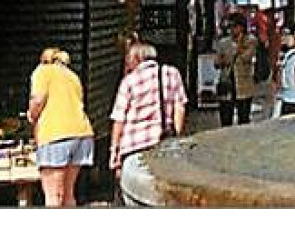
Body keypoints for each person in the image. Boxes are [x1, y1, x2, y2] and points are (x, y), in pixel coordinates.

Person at [109, 42, 186, 192]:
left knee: (131, 192)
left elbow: (119, 119)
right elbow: (180, 107)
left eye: (128, 58)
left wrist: (114, 151)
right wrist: (176, 135)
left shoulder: (129, 81)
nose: (127, 62)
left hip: (133, 144)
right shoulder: (172, 73)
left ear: (137, 59)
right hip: (162, 142)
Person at [27, 47, 94, 208]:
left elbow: (38, 100)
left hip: (56, 135)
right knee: (68, 194)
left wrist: (31, 115)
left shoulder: (43, 71)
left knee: (53, 197)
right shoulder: (73, 76)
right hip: (82, 135)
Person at [213, 14, 259, 127]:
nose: (232, 30)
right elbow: (217, 62)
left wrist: (238, 47)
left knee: (244, 118)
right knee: (226, 118)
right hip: (227, 83)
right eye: (230, 27)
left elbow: (245, 57)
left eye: (235, 26)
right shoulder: (224, 43)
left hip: (244, 85)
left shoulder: (250, 41)